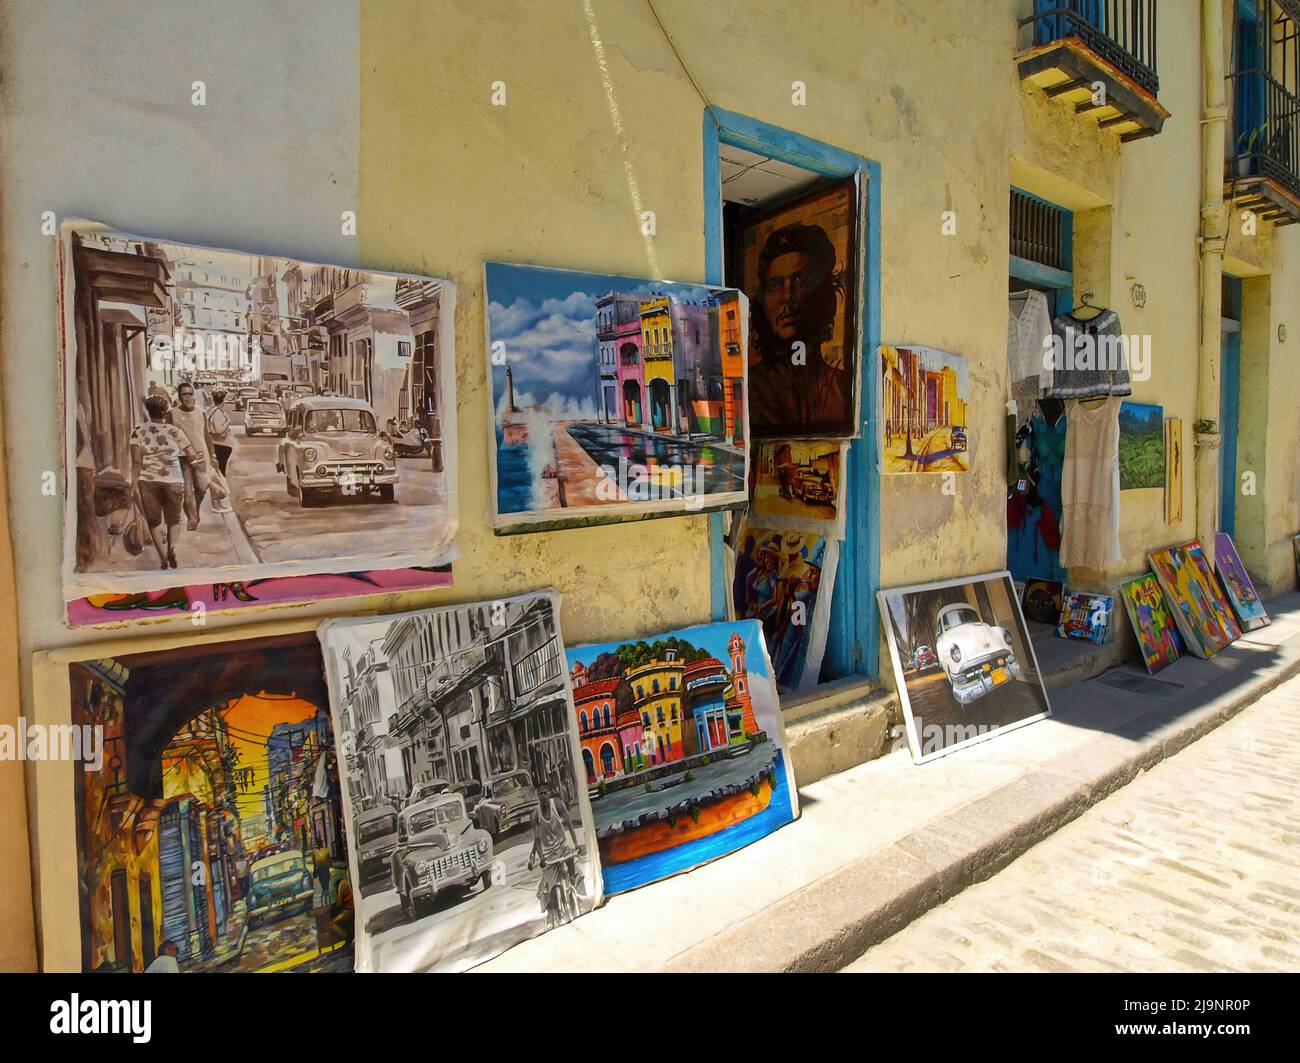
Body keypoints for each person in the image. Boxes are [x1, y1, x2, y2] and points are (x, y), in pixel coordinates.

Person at [747, 222, 849, 435]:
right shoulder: (751, 388)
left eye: (799, 280)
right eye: (775, 284)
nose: (787, 296)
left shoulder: (841, 387)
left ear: (820, 294)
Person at [129, 394, 199, 570]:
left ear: (148, 411)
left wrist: (133, 483)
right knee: (173, 519)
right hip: (174, 479)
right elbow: (191, 455)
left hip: (148, 481)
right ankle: (171, 549)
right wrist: (195, 461)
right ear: (165, 411)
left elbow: (136, 461)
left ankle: (162, 558)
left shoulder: (139, 431)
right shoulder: (175, 431)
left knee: (153, 521)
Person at [527, 784, 581, 928]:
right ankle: (552, 913)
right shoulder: (535, 814)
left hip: (563, 847)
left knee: (574, 870)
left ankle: (574, 889)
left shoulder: (557, 804)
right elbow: (537, 839)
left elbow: (569, 824)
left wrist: (576, 844)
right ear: (537, 796)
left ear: (549, 793)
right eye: (540, 794)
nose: (542, 797)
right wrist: (541, 858)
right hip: (549, 854)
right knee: (549, 887)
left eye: (544, 793)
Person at [167, 382, 212, 531]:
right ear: (179, 396)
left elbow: (206, 435)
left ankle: (196, 511)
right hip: (182, 457)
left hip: (201, 456)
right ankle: (192, 518)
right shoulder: (172, 413)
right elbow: (168, 436)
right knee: (187, 489)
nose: (187, 397)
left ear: (194, 395)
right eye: (184, 394)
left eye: (189, 394)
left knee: (202, 487)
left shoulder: (201, 412)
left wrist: (213, 454)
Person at [206, 388, 234, 478]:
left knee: (217, 471)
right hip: (220, 445)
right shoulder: (217, 412)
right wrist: (228, 421)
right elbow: (219, 429)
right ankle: (220, 489)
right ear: (223, 399)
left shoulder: (211, 410)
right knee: (220, 472)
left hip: (216, 444)